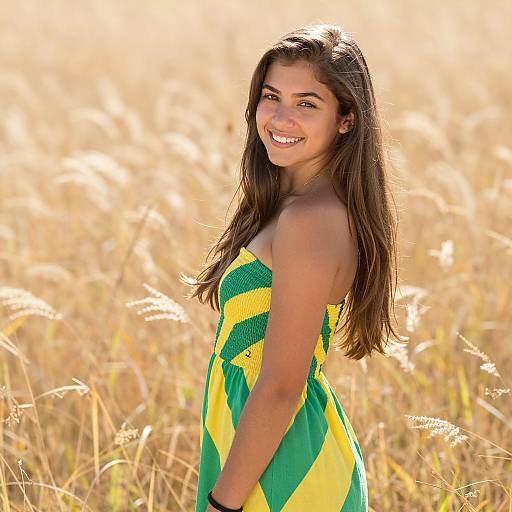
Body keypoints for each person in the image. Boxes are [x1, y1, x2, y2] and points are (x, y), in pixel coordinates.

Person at [187, 23, 402, 512]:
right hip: (260, 454)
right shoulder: (296, 205)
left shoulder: (311, 220)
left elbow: (283, 385)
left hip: (284, 473)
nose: (281, 118)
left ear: (346, 119)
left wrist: (223, 504)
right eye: (271, 96)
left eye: (307, 103)